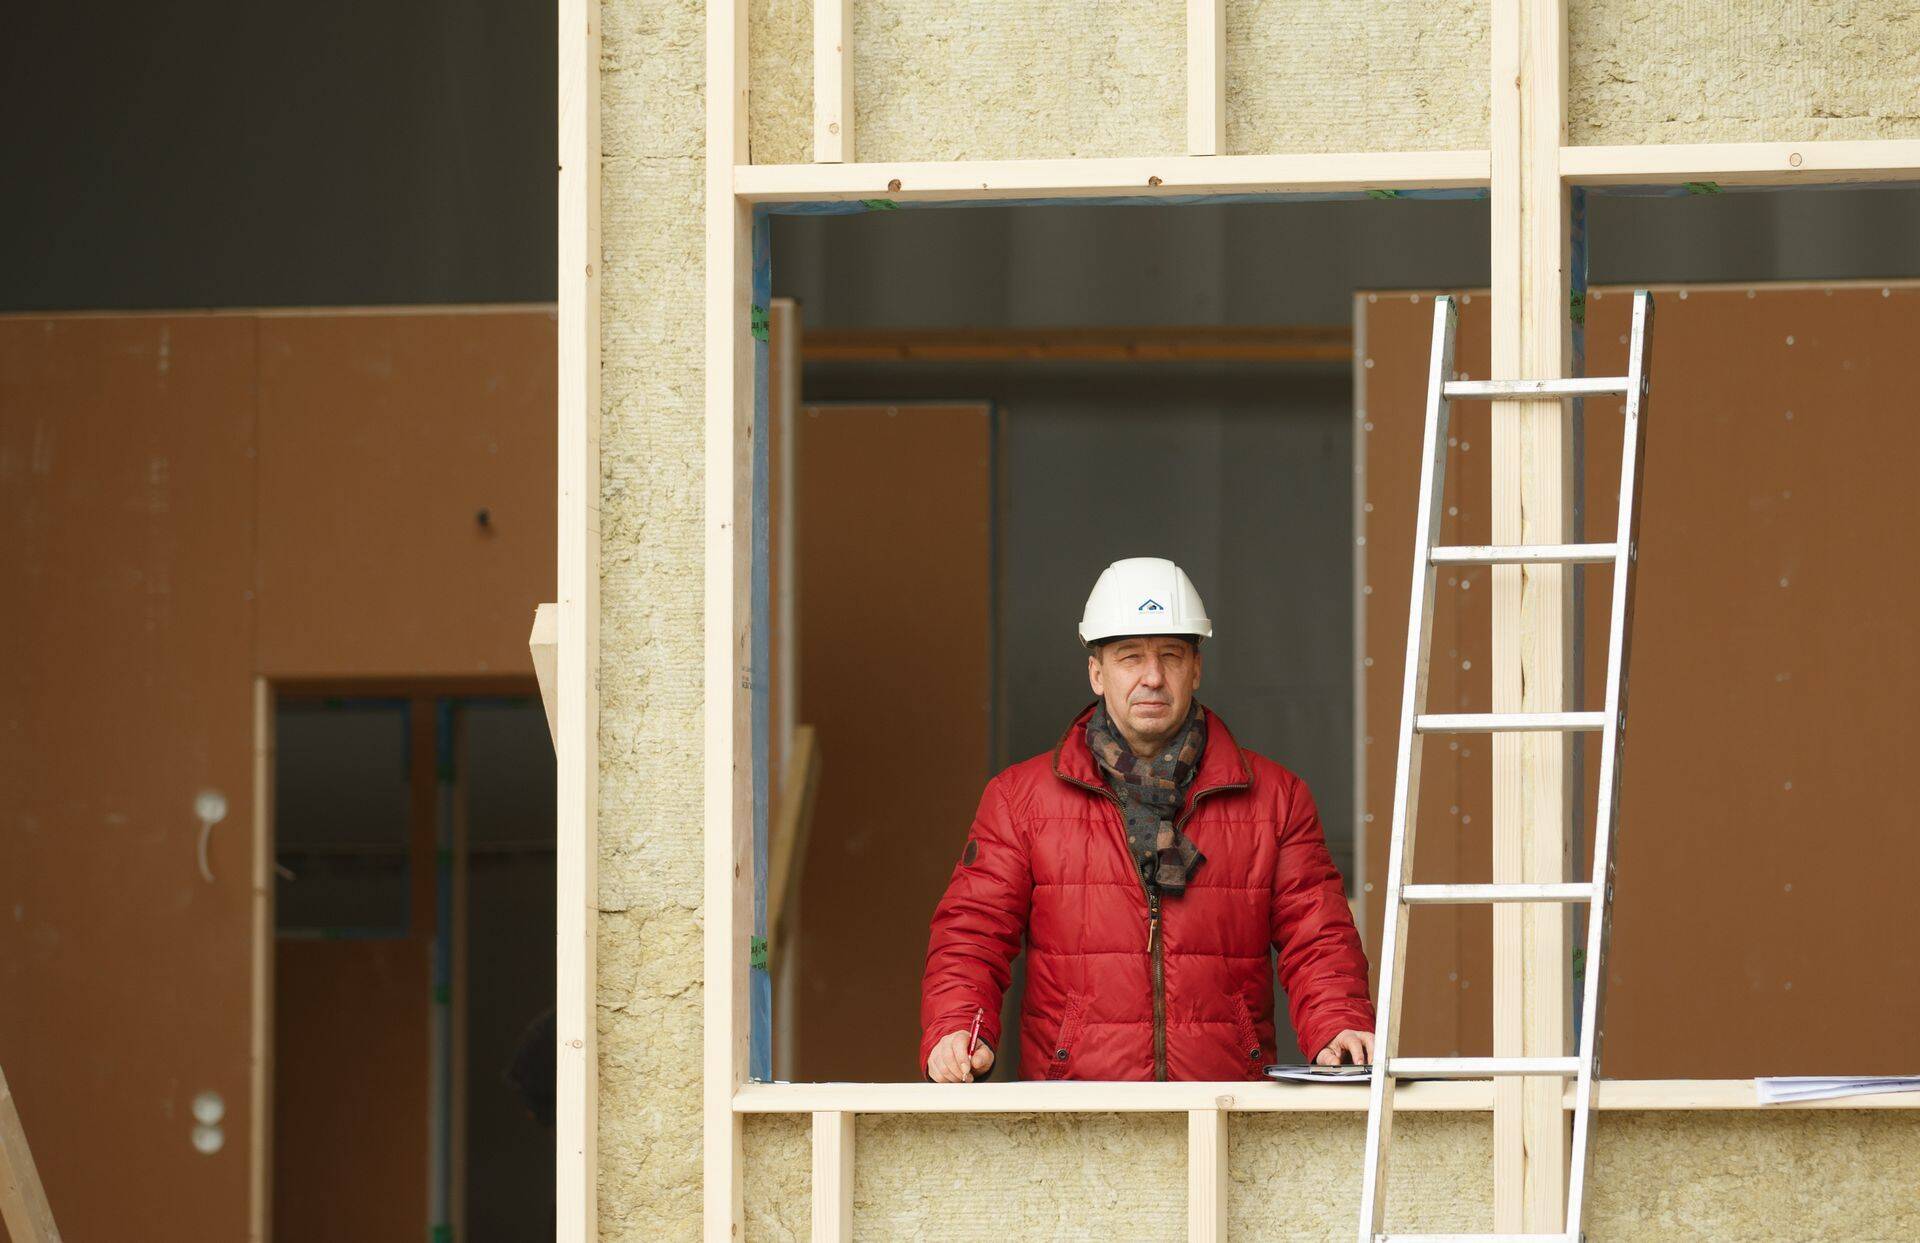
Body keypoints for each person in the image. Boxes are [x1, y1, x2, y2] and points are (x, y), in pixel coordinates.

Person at [921, 557, 1376, 1082]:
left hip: (1225, 1102)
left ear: (1196, 668)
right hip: (1073, 1111)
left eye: (1171, 656)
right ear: (1097, 673)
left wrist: (1339, 1023)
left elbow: (1317, 935)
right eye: (1130, 657)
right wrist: (958, 1028)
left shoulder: (1277, 798)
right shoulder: (1019, 800)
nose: (1153, 677)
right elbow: (973, 933)